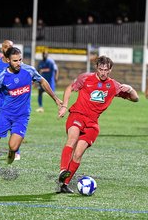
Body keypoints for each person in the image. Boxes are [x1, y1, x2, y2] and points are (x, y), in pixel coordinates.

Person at [0, 47, 62, 184]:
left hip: (21, 117)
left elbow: (43, 81)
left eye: (20, 60)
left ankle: (11, 152)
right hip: (5, 115)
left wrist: (56, 99)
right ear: (8, 60)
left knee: (14, 147)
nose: (18, 63)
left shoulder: (29, 71)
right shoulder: (2, 77)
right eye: (15, 61)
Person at [56, 55, 139, 193]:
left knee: (78, 154)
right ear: (96, 68)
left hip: (92, 123)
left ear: (110, 70)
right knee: (72, 139)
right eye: (101, 69)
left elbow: (135, 99)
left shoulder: (113, 86)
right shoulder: (85, 78)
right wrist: (65, 106)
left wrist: (130, 89)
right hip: (77, 115)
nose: (103, 73)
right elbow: (69, 88)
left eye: (106, 70)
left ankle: (64, 184)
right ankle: (63, 170)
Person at [0, 40, 26, 160]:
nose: (7, 48)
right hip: (1, 100)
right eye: (5, 47)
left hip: (15, 99)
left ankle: (16, 151)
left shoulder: (17, 63)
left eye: (10, 46)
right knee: (0, 124)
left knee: (15, 125)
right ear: (2, 49)